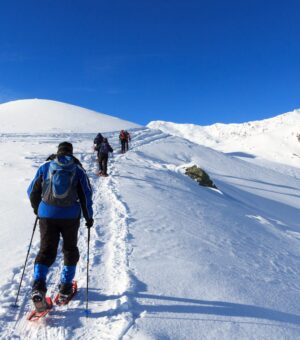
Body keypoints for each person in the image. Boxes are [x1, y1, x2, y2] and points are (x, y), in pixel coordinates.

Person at [27, 142, 93, 308]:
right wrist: (88, 217)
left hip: (47, 215)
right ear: (71, 153)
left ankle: (38, 287)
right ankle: (65, 288)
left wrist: (38, 209)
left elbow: (31, 191)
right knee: (70, 249)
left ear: (58, 152)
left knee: (46, 249)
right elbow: (86, 195)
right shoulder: (78, 169)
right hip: (70, 216)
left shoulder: (46, 166)